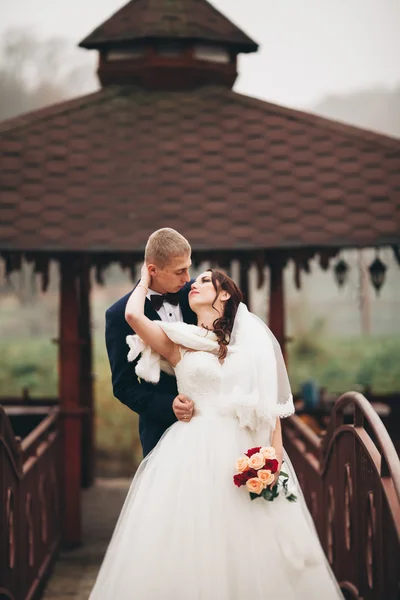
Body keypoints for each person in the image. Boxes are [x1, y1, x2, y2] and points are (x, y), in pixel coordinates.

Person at [91, 266, 343, 599]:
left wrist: (274, 459)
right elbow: (134, 317)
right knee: (192, 539)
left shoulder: (250, 345)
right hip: (189, 452)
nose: (194, 283)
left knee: (250, 541)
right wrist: (145, 277)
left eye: (206, 281)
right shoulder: (180, 341)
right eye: (194, 278)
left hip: (243, 450)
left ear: (224, 294)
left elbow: (269, 411)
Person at [105, 228, 197, 457]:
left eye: (188, 268)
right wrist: (168, 406)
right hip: (160, 429)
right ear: (153, 270)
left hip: (212, 420)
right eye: (180, 271)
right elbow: (123, 386)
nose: (187, 279)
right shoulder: (118, 315)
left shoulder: (198, 294)